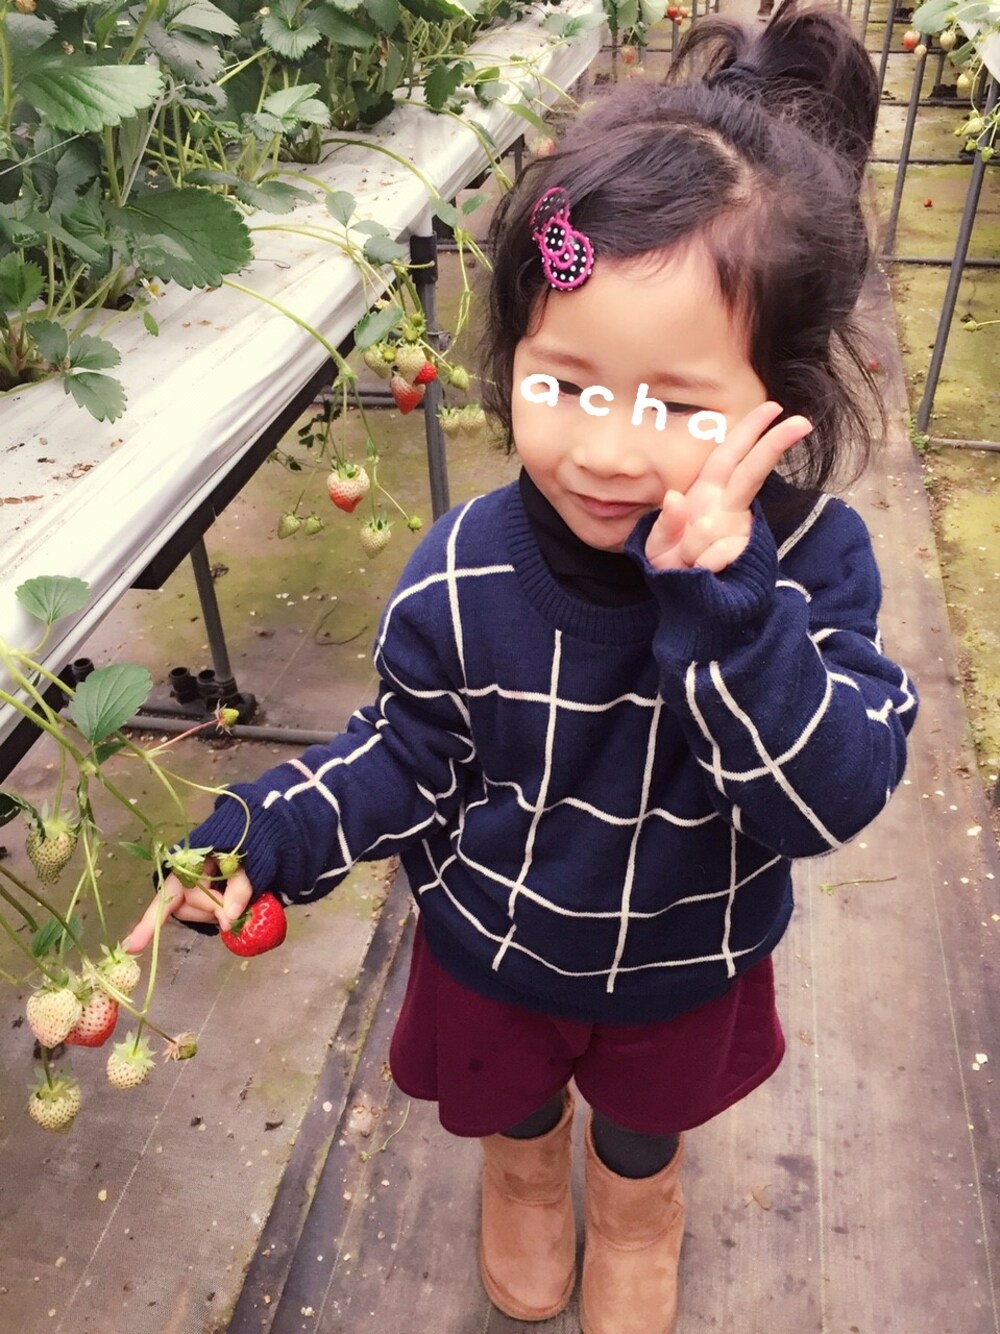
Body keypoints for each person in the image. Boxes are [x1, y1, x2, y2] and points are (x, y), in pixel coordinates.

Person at [125, 3, 918, 1329]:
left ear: (780, 403)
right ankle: (528, 1171)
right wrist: (265, 832)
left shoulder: (812, 568)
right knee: (513, 1093)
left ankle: (637, 1199)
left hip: (685, 952)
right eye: (566, 382)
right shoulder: (464, 568)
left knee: (649, 1112)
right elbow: (408, 753)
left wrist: (731, 614)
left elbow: (828, 798)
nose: (605, 447)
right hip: (496, 941)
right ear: (514, 361)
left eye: (673, 404)